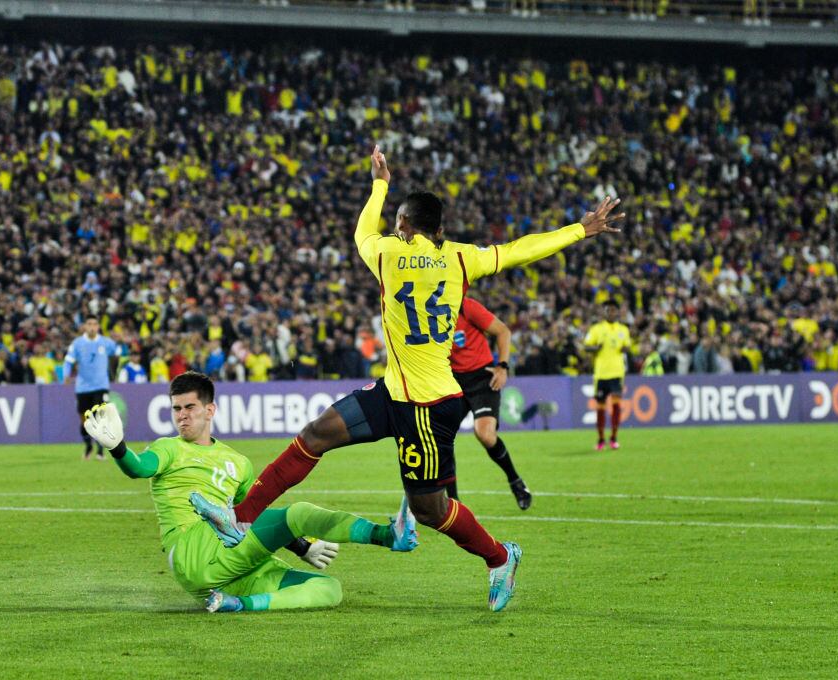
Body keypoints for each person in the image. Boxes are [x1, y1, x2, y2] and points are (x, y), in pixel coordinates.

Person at [194, 146, 623, 612]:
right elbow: (521, 250)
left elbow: (361, 230)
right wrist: (581, 229)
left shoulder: (387, 253)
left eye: (398, 222)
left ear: (402, 226)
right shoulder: (462, 259)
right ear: (439, 230)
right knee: (316, 434)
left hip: (425, 407)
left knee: (430, 510)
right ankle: (239, 519)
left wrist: (380, 181)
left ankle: (501, 557)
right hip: (398, 391)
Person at [83, 372, 418, 613]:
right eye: (176, 409)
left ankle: (238, 604)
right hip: (192, 549)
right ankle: (388, 535)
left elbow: (252, 514)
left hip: (229, 566)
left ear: (209, 410)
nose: (181, 416)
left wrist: (301, 547)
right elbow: (139, 468)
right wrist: (118, 449)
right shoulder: (169, 449)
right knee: (297, 513)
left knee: (329, 589)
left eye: (189, 408)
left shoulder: (237, 463)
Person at [447, 296, 531, 510]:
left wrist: (503, 366)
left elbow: (503, 331)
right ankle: (453, 504)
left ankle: (515, 481)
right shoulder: (426, 313)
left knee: (484, 434)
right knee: (441, 438)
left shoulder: (465, 306)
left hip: (481, 378)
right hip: (451, 380)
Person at [64, 316, 120, 460]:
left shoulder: (106, 343)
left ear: (98, 326)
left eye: (95, 324)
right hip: (82, 387)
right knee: (85, 420)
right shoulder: (77, 344)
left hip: (101, 386)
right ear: (84, 326)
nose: (92, 327)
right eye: (89, 324)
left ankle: (100, 451)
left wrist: (114, 370)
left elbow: (117, 352)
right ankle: (88, 445)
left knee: (100, 417)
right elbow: (68, 361)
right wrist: (66, 375)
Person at [583, 301, 632, 451]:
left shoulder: (623, 329)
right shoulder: (597, 329)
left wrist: (625, 349)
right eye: (608, 310)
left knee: (616, 405)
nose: (611, 313)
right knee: (601, 407)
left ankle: (614, 438)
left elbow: (628, 346)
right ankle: (601, 439)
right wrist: (595, 348)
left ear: (617, 312)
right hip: (601, 374)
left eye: (613, 310)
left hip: (617, 372)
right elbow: (586, 346)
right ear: (604, 312)